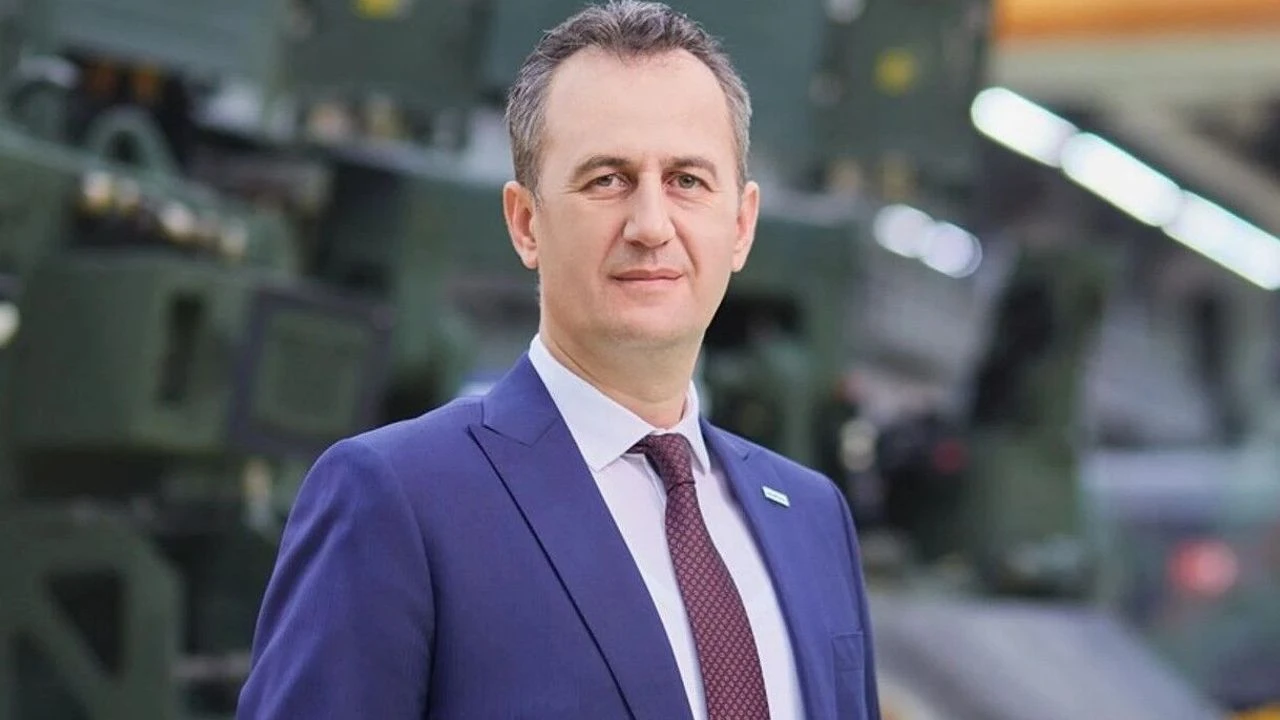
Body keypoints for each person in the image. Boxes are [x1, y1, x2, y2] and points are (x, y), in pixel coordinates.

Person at [236, 2, 880, 718]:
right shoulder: (399, 501)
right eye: (607, 179)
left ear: (741, 225)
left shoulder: (813, 520)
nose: (651, 225)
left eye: (687, 181)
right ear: (525, 223)